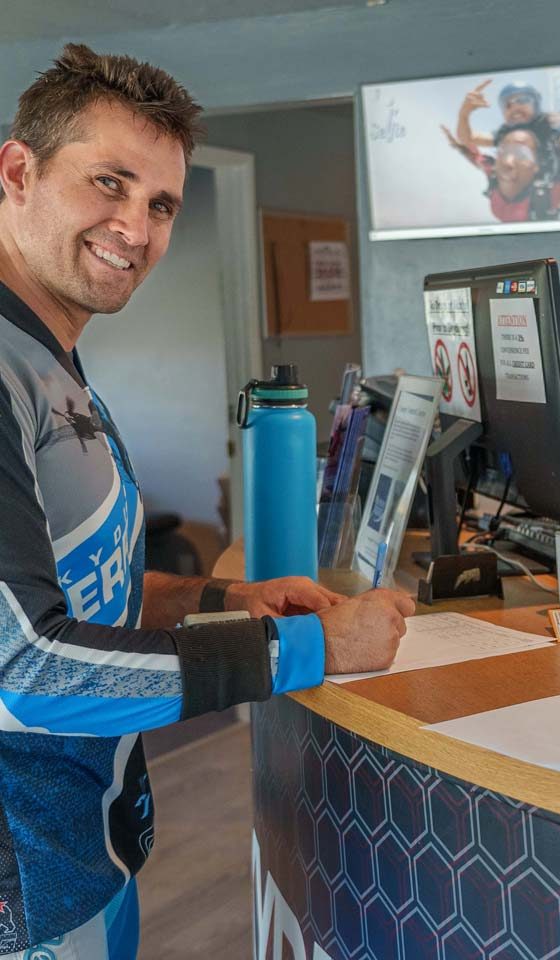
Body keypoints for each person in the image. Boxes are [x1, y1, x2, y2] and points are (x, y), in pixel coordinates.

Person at [0, 43, 414, 958]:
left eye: (160, 204)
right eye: (108, 182)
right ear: (18, 171)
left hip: (80, 851)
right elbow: (24, 671)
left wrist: (225, 600)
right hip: (22, 891)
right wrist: (310, 648)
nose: (135, 227)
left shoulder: (43, 354)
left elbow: (68, 595)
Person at [440, 124, 560, 222]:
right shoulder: (494, 171)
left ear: (536, 166)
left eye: (522, 154)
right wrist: (458, 145)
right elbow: (474, 156)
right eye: (503, 151)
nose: (508, 161)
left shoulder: (553, 192)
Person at [455, 78, 560, 180]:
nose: (515, 107)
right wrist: (464, 114)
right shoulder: (505, 134)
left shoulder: (552, 127)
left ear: (536, 103)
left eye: (522, 100)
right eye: (507, 104)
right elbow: (467, 139)